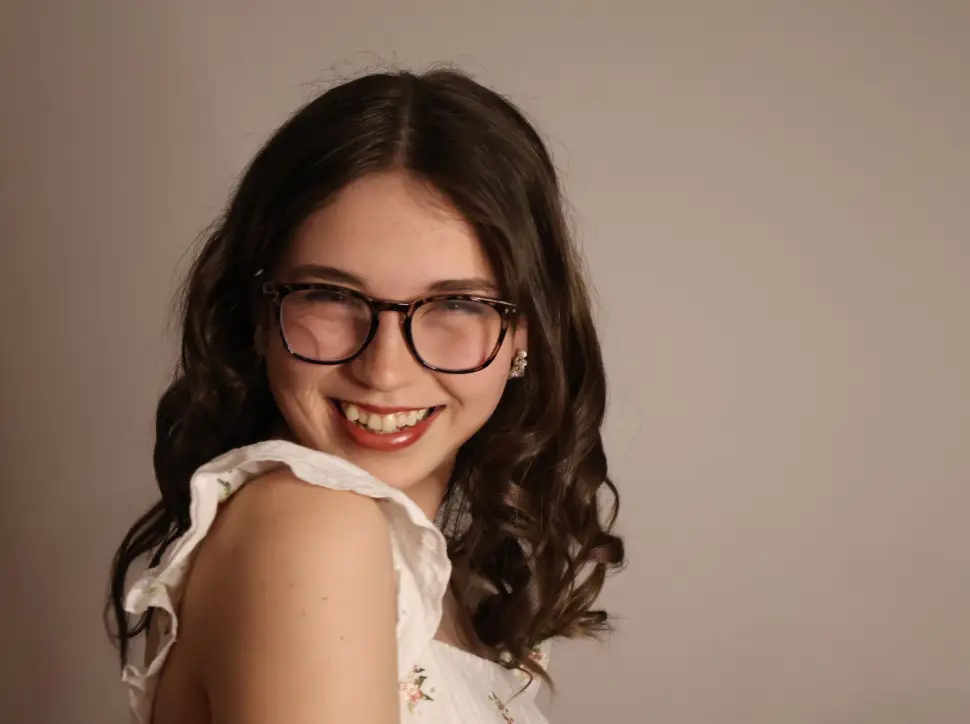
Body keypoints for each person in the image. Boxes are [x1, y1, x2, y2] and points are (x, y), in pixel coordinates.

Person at [106, 68, 625, 724]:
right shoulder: (311, 530)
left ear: (525, 331)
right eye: (330, 295)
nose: (384, 369)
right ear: (259, 315)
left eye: (456, 303)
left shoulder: (462, 585)